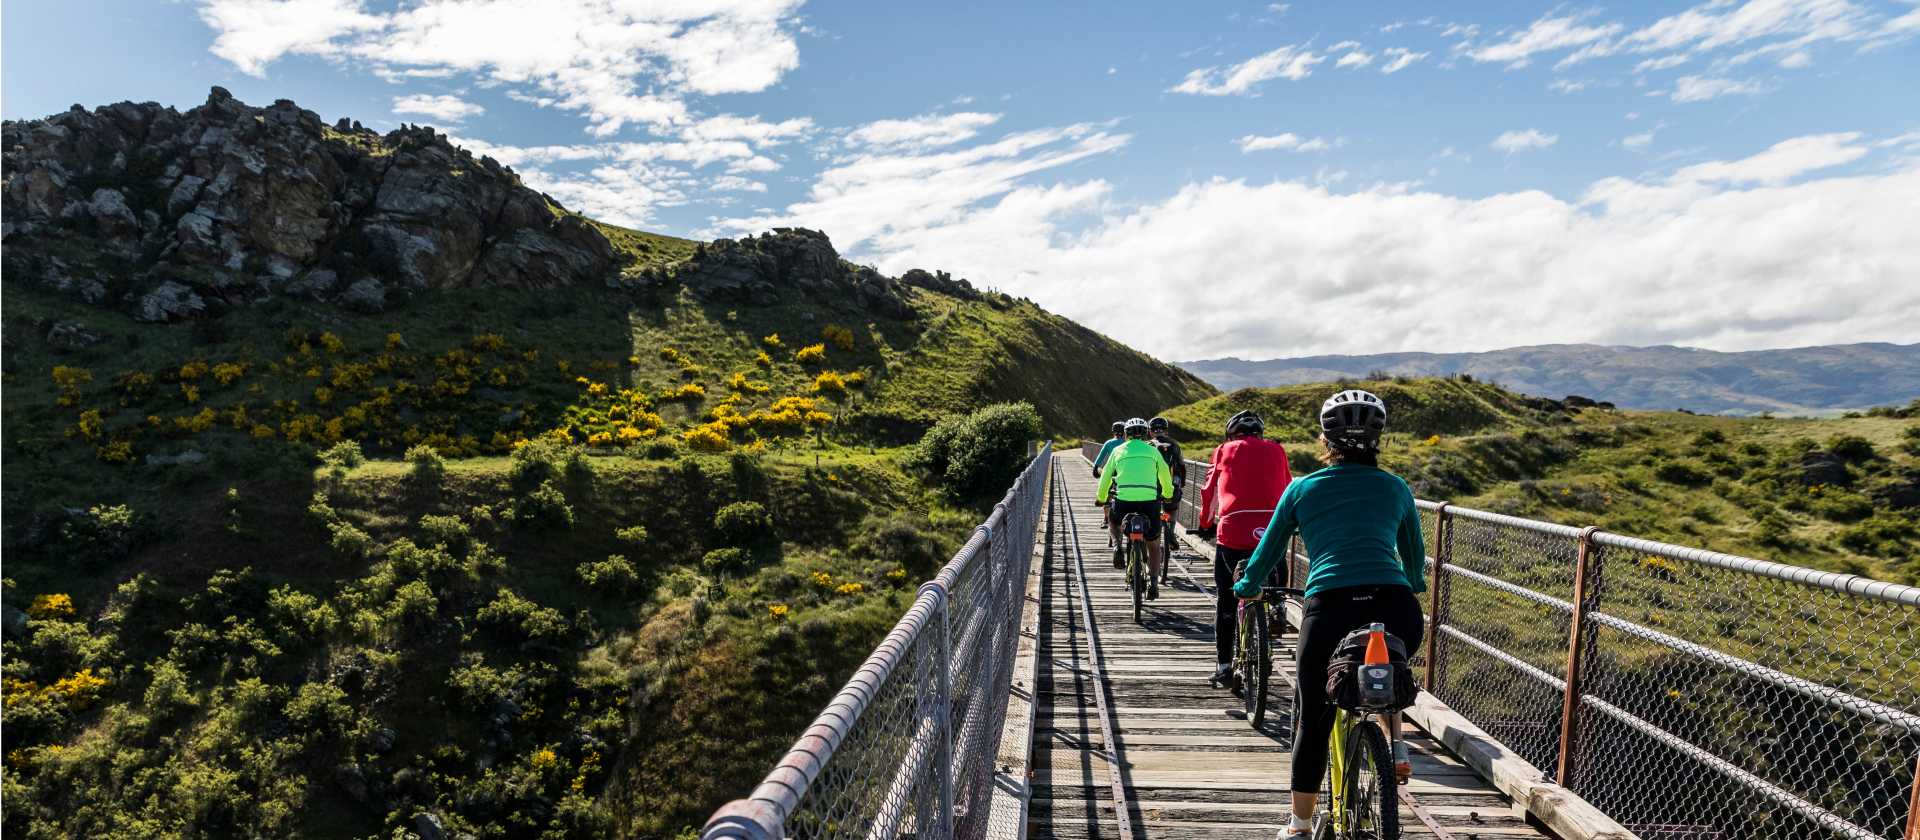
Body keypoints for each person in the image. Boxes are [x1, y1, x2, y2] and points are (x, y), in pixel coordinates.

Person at [1231, 390, 1426, 839]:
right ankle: (1393, 742)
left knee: (1313, 715)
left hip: (1331, 608)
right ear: (1379, 440)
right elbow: (1414, 564)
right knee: (1387, 666)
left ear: (1325, 440)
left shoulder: (1302, 489)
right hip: (1396, 607)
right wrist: (1409, 582)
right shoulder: (1396, 488)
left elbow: (1266, 553)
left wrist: (1247, 586)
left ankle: (1298, 827)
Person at [1195, 410, 1291, 685]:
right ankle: (1277, 604)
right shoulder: (1277, 450)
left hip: (1233, 529)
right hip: (1270, 526)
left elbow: (1209, 490)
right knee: (1274, 557)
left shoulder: (1223, 450)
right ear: (1260, 433)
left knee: (1226, 599)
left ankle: (1224, 666)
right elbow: (1287, 486)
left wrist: (1205, 523)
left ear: (1231, 435)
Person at [1095, 417, 1174, 598]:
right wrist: (1168, 495)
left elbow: (1106, 477)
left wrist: (1101, 498)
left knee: (1113, 522)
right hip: (1149, 501)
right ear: (1146, 433)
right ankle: (1154, 582)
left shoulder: (1117, 451)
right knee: (1153, 544)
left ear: (1126, 435)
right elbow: (1164, 476)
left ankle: (1116, 547)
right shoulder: (1153, 452)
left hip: (1124, 500)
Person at [1146, 416, 1187, 587]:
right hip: (1170, 488)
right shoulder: (1174, 445)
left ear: (1150, 431)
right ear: (1166, 430)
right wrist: (1180, 484)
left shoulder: (1148, 446)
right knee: (1172, 508)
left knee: (1151, 514)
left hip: (1151, 490)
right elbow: (1181, 467)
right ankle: (1170, 531)